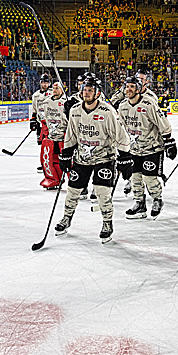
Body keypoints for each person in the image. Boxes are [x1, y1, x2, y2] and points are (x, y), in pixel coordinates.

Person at [54, 74, 129, 242]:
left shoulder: (107, 111)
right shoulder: (75, 110)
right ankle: (66, 218)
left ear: (97, 93)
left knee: (102, 192)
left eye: (90, 90)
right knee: (72, 190)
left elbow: (121, 136)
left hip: (104, 157)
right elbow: (71, 134)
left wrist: (125, 156)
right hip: (82, 158)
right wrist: (66, 153)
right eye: (84, 90)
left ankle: (107, 223)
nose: (86, 93)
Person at [118, 75, 176, 219]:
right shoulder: (123, 106)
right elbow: (121, 128)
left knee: (149, 178)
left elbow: (163, 123)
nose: (129, 89)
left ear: (138, 88)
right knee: (134, 178)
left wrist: (169, 141)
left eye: (132, 86)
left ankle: (157, 199)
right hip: (134, 149)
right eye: (127, 86)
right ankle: (139, 203)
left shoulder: (149, 104)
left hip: (152, 148)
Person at [39, 79, 69, 191]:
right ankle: (54, 178)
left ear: (62, 90)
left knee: (68, 161)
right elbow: (42, 117)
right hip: (51, 137)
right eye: (54, 88)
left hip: (64, 137)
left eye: (57, 88)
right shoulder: (46, 102)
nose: (55, 90)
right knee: (50, 159)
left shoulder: (66, 102)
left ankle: (73, 182)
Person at [31, 74, 52, 182]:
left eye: (46, 82)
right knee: (43, 144)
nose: (45, 84)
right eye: (43, 82)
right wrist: (33, 120)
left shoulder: (53, 93)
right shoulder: (35, 95)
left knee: (52, 144)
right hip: (41, 124)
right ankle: (44, 162)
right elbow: (34, 109)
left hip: (51, 124)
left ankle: (51, 163)